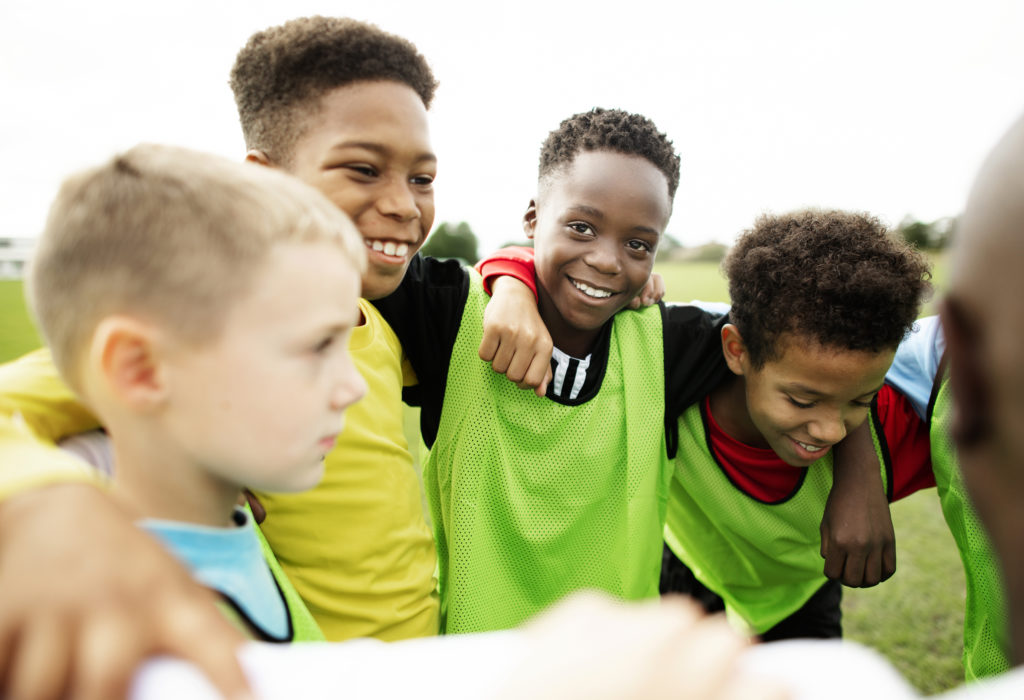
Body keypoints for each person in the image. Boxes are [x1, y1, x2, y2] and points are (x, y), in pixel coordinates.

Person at [373, 106, 750, 633]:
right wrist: (509, 269)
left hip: (615, 670)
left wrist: (858, 476)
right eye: (581, 227)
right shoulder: (455, 314)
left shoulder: (665, 343)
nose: (606, 260)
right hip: (480, 667)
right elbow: (341, 250)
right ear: (532, 218)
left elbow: (800, 341)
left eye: (637, 244)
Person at [27, 143, 367, 642]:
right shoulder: (106, 631)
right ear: (140, 370)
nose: (354, 387)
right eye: (318, 346)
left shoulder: (229, 523)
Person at [658, 209, 935, 640]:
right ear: (737, 351)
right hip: (685, 570)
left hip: (802, 597)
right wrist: (510, 280)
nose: (830, 431)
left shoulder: (895, 432)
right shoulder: (665, 376)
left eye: (861, 399)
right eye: (803, 400)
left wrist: (862, 473)